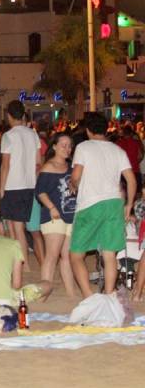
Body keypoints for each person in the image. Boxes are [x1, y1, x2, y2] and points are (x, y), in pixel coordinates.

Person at [70, 112, 136, 298]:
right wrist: (128, 205)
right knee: (109, 254)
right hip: (114, 202)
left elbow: (75, 176)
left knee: (76, 255)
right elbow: (131, 181)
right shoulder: (118, 150)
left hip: (91, 203)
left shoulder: (83, 147)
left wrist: (73, 185)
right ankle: (109, 295)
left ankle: (88, 296)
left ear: (88, 130)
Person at [35, 132, 78, 298]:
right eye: (63, 145)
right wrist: (51, 207)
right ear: (54, 146)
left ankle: (71, 293)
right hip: (54, 216)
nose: (67, 149)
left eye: (69, 146)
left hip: (70, 215)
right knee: (52, 255)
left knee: (66, 256)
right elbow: (40, 191)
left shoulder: (72, 168)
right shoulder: (48, 167)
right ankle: (44, 293)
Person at [0, 101, 42, 269]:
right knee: (19, 226)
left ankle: (24, 264)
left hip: (13, 186)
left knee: (17, 229)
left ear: (9, 115)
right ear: (23, 115)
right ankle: (21, 262)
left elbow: (5, 165)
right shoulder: (33, 134)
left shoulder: (8, 136)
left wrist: (2, 189)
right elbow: (39, 163)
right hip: (29, 185)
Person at [116, 125, 143, 191]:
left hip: (122, 172)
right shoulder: (136, 142)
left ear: (123, 133)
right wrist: (135, 162)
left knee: (123, 192)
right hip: (135, 170)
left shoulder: (118, 143)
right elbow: (140, 156)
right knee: (137, 193)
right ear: (131, 133)